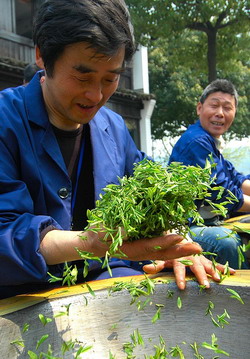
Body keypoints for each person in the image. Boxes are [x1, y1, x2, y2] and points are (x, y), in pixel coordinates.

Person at [0, 0, 233, 300]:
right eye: (83, 77)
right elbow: (5, 233)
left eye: (110, 79)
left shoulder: (113, 126)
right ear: (43, 55)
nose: (96, 95)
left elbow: (152, 193)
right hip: (23, 296)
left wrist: (180, 244)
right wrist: (91, 243)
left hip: (106, 276)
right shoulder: (7, 120)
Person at [169, 79, 250, 268]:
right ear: (199, 108)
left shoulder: (210, 141)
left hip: (204, 221)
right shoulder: (197, 141)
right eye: (214, 106)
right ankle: (239, 295)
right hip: (183, 227)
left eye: (227, 108)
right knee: (228, 242)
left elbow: (235, 178)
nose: (220, 114)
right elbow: (221, 193)